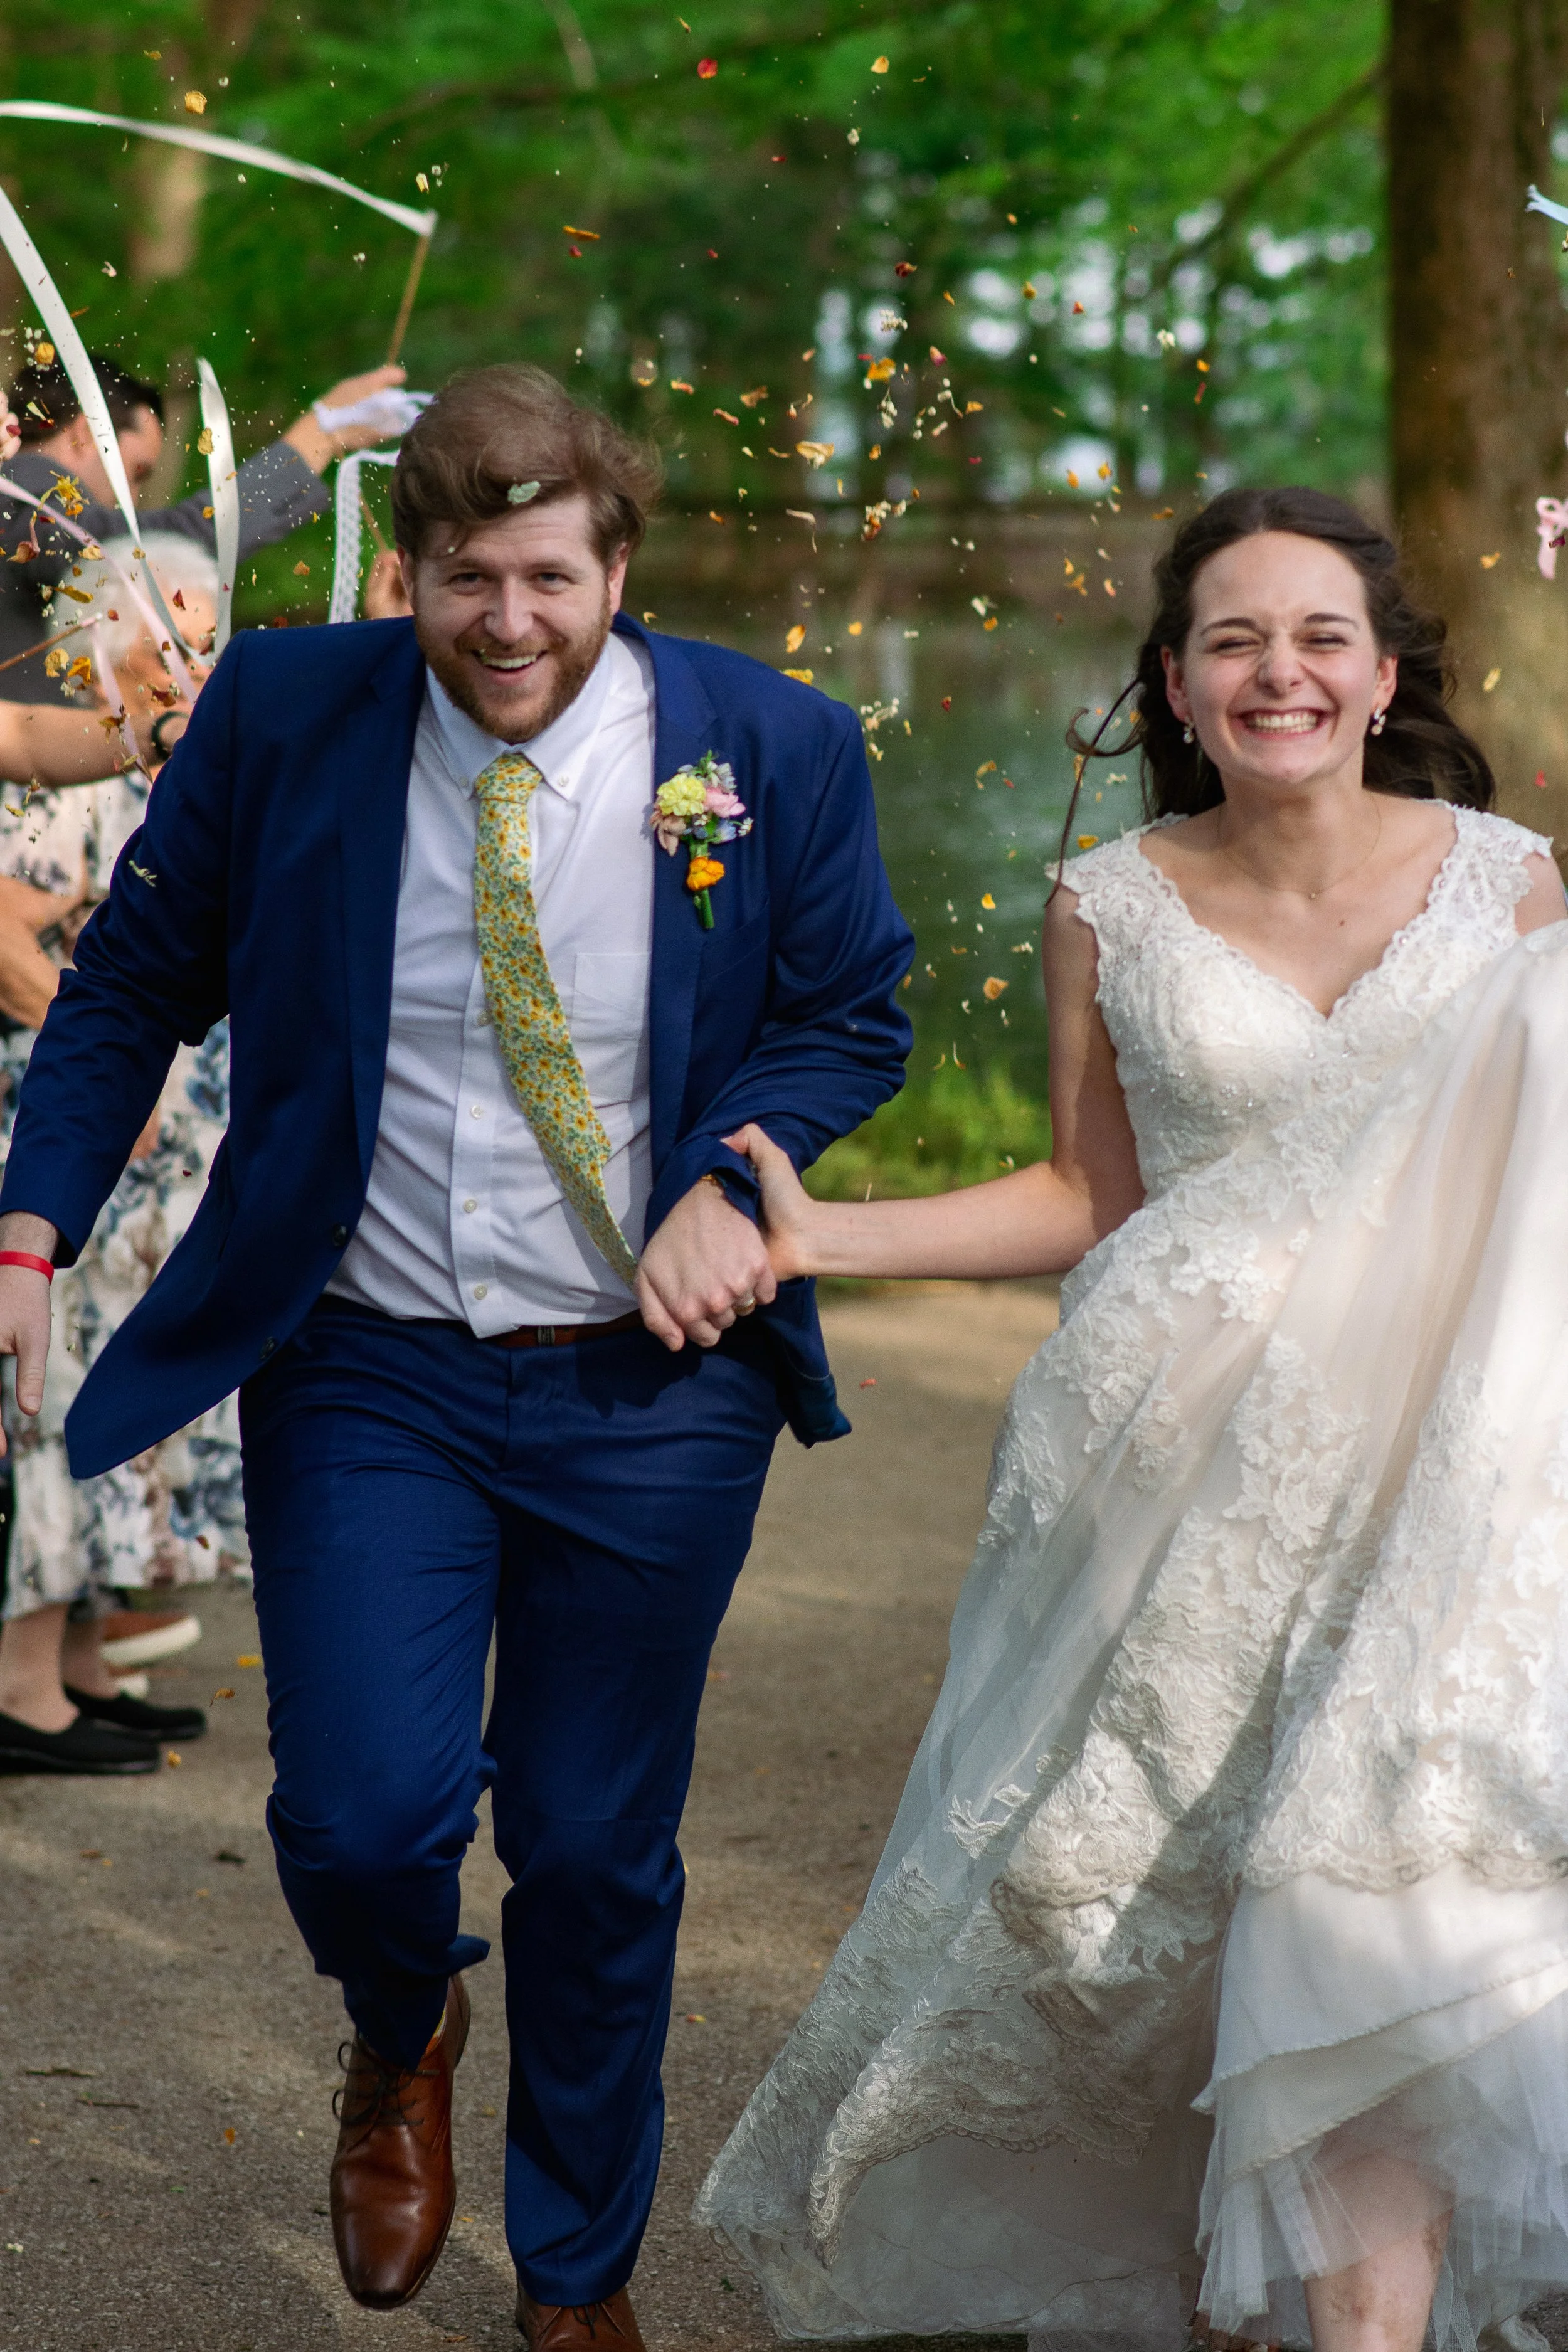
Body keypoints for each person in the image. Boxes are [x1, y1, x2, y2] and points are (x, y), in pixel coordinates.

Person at [0, 362, 913, 2349]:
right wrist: (30, 1215)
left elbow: (851, 1010)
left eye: (548, 579)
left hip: (649, 1385)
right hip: (369, 1359)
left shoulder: (766, 742)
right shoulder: (286, 714)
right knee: (356, 1812)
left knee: (593, 1848)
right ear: (405, 565)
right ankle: (401, 2015)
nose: (509, 621)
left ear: (617, 570)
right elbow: (140, 975)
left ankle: (574, 2275)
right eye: (466, 577)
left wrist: (731, 1184)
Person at [694, 487, 1568, 2352]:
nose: (1278, 669)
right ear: (1173, 679)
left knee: (1366, 1891)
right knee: (1131, 1911)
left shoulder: (1510, 882)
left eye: (1318, 633)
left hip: (1439, 1480)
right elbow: (1085, 1194)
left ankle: (1358, 2321)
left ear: (1383, 668)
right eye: (1232, 638)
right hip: (1165, 1485)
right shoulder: (1106, 897)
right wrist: (819, 1233)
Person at [0, 532, 240, 1776]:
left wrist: (154, 736)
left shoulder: (137, 741)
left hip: (139, 1123)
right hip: (40, 1107)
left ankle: (80, 1657)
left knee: (107, 1375)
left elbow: (77, 742)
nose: (188, 655)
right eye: (169, 633)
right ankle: (23, 1681)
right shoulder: (35, 724)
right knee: (38, 1393)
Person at [0, 349, 416, 691]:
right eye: (138, 471)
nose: (137, 496)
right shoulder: (15, 505)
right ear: (84, 436)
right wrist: (322, 435)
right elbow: (163, 546)